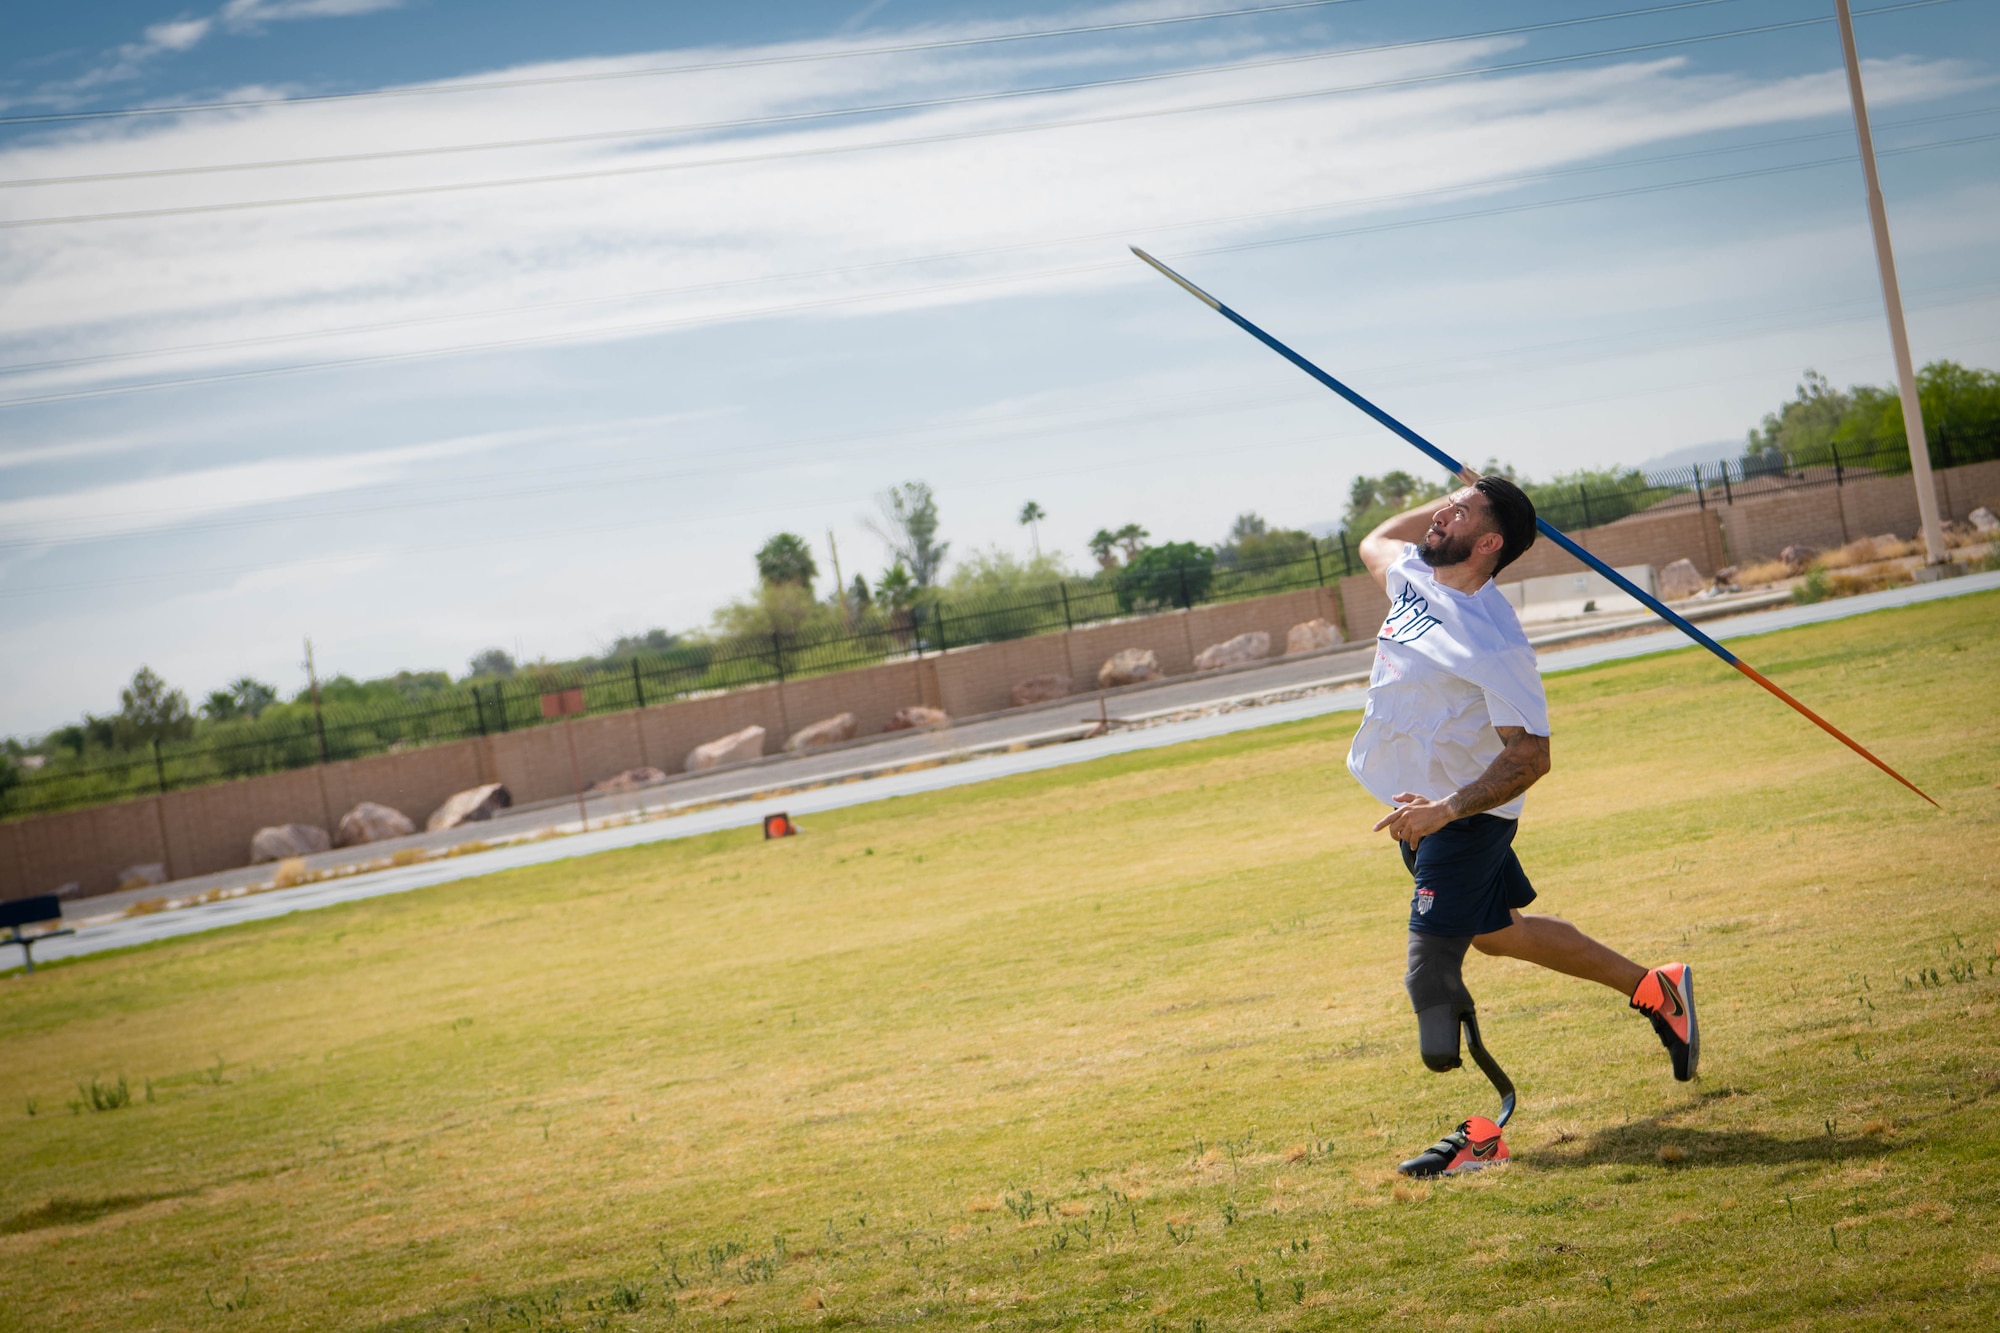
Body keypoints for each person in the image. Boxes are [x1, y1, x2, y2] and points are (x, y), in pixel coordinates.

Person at [1351, 476, 1697, 1176]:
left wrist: (1444, 810)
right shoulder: (1413, 572)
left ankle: (1487, 1130)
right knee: (1497, 933)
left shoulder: (1493, 642)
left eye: (1461, 510)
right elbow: (1373, 541)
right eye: (1444, 503)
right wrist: (1457, 491)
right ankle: (1656, 988)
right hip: (1423, 811)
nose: (1442, 513)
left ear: (1489, 543)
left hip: (1460, 817)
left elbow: (1531, 754)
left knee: (1433, 984)